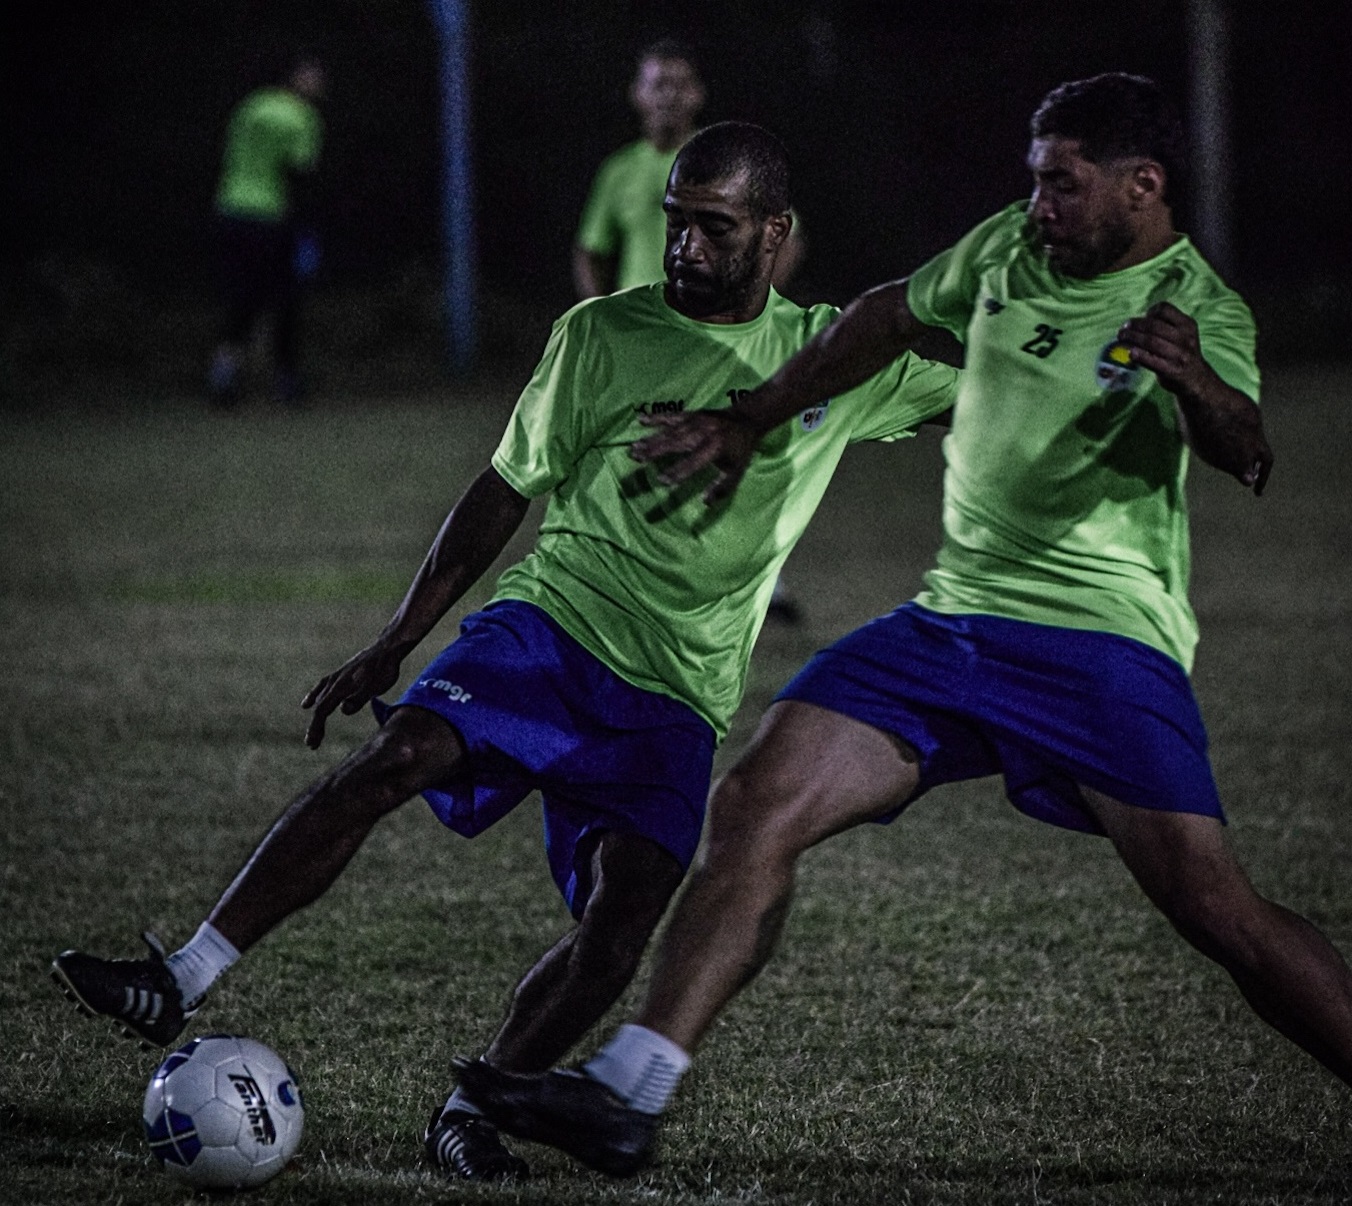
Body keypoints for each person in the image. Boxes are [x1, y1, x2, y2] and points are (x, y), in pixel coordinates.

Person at [456, 73, 1352, 1180]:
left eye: (1062, 187)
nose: (1037, 205)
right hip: (950, 625)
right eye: (1031, 181)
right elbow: (882, 313)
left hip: (1095, 642)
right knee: (754, 804)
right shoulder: (1008, 252)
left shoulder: (1195, 305)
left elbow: (1247, 451)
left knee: (1218, 913)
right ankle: (629, 1091)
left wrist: (1198, 386)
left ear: (1142, 186)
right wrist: (751, 415)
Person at [52, 122, 958, 1183]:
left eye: (712, 229)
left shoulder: (828, 361)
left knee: (620, 933)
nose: (682, 249)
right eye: (673, 223)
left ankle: (469, 1107)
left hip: (677, 692)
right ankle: (181, 977)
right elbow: (502, 489)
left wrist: (1116, 370)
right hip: (552, 623)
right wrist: (399, 637)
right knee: (394, 759)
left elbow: (988, 396)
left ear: (773, 233)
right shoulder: (600, 335)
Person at [575, 39, 808, 624]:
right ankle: (633, 573)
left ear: (699, 94)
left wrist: (748, 300)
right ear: (636, 93)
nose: (668, 95)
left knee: (738, 448)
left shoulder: (724, 165)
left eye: (679, 83)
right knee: (637, 449)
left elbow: (790, 237)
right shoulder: (620, 170)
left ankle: (760, 578)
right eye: (657, 83)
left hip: (716, 333)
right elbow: (590, 249)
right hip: (646, 339)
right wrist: (602, 314)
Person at [207, 50, 326, 407]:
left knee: (242, 295)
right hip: (270, 216)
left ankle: (223, 375)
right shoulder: (302, 116)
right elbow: (300, 173)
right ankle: (286, 381)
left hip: (229, 208)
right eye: (313, 76)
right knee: (286, 298)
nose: (319, 84)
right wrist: (306, 228)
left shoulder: (251, 105)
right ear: (297, 79)